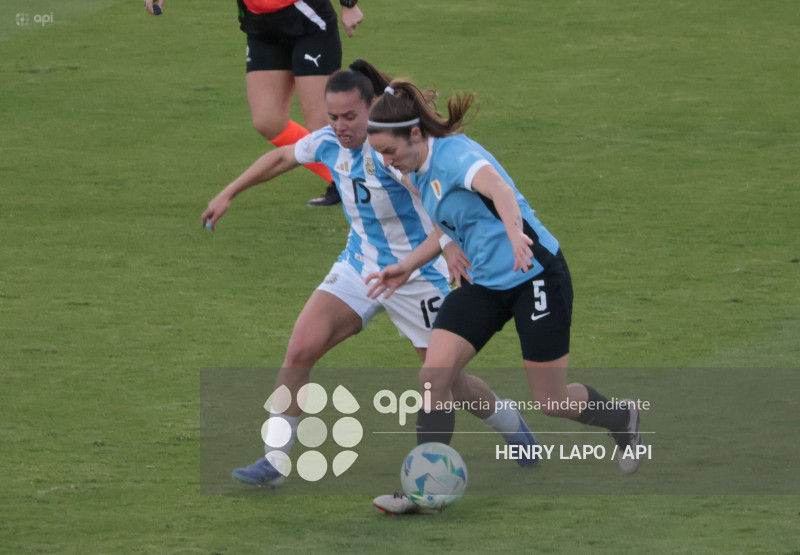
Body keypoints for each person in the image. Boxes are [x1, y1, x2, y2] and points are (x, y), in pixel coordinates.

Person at [201, 60, 541, 504]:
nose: (340, 126)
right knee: (300, 349)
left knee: (449, 383)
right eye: (332, 117)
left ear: (372, 109)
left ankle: (512, 426)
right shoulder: (327, 142)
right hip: (360, 267)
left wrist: (450, 246)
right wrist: (228, 192)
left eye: (350, 116)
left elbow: (437, 203)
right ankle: (274, 459)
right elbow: (283, 156)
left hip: (418, 276)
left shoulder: (393, 155)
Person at [364, 78, 645, 510]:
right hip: (485, 282)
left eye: (389, 151)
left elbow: (500, 190)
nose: (387, 161)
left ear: (415, 133)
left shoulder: (455, 156)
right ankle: (422, 489)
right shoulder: (414, 168)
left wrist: (515, 236)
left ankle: (621, 418)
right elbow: (446, 220)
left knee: (551, 400)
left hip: (534, 274)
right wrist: (408, 264)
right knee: (434, 377)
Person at [147, 0, 365, 206]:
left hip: (306, 20)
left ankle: (360, 177)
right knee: (268, 121)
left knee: (321, 123)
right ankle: (341, 175)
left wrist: (348, 5)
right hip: (261, 27)